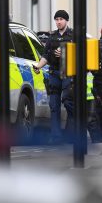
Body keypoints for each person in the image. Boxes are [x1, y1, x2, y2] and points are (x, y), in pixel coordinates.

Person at [33, 11, 74, 144]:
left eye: (61, 19)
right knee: (53, 106)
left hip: (68, 72)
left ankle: (71, 133)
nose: (58, 22)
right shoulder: (52, 37)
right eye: (56, 19)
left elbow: (81, 54)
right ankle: (56, 136)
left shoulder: (73, 35)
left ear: (66, 20)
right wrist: (38, 66)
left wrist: (65, 52)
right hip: (55, 73)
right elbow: (45, 55)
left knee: (68, 102)